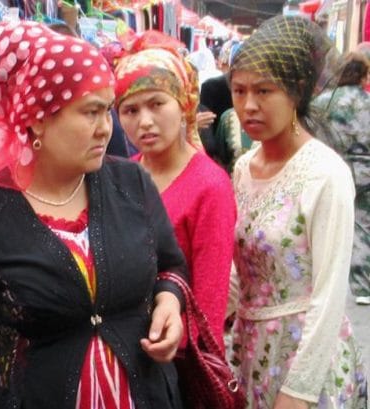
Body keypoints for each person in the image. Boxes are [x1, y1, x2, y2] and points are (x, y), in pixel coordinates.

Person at [0, 21, 189, 409]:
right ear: (38, 117)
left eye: (108, 111)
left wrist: (170, 302)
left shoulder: (131, 184)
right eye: (90, 112)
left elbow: (171, 267)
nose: (106, 128)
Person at [228, 16, 367, 408]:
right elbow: (241, 269)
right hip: (251, 352)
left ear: (297, 92)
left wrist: (299, 392)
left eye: (264, 90)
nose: (248, 105)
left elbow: (330, 294)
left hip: (307, 359)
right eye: (239, 91)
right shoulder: (243, 167)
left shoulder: (325, 174)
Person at [112, 30, 236, 351]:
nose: (145, 122)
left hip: (177, 358)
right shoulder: (123, 174)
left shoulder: (210, 185)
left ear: (183, 104)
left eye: (157, 104)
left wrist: (182, 350)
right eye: (131, 110)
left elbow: (210, 302)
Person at [312, 55, 370, 306]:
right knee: (363, 225)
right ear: (363, 76)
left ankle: (324, 278)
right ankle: (362, 284)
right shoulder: (368, 101)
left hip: (333, 166)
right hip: (367, 168)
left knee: (328, 220)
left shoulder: (323, 102)